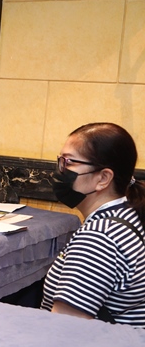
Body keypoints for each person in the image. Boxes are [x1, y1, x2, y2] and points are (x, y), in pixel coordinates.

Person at [41, 122, 145, 328]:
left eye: (69, 162)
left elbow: (66, 327)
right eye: (60, 160)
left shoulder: (98, 239)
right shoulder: (128, 212)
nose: (60, 171)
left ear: (103, 178)